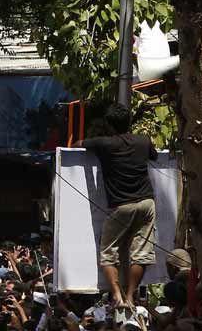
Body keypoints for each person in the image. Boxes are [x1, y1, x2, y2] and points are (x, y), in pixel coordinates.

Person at [79, 104, 158, 309]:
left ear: (109, 125)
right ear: (129, 122)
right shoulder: (143, 141)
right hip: (147, 203)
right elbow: (154, 155)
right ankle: (131, 297)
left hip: (121, 206)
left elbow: (79, 143)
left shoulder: (104, 143)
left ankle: (117, 296)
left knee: (108, 252)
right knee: (141, 253)